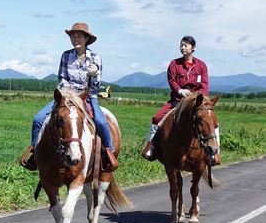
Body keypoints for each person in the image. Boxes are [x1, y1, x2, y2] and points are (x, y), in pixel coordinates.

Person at [20, 22, 119, 171]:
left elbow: (96, 86)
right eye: (73, 36)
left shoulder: (95, 58)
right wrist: (69, 94)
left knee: (101, 121)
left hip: (87, 97)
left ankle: (108, 153)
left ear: (86, 39)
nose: (75, 39)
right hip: (67, 96)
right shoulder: (66, 56)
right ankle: (35, 152)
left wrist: (94, 75)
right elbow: (62, 78)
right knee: (38, 119)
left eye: (79, 36)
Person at [141, 35, 220, 164]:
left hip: (196, 102)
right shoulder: (174, 64)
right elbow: (171, 80)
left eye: (186, 45)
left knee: (213, 122)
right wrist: (180, 91)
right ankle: (152, 146)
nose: (183, 47)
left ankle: (215, 153)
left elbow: (204, 86)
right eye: (181, 45)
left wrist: (198, 99)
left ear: (193, 48)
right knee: (157, 118)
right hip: (177, 100)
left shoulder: (201, 66)